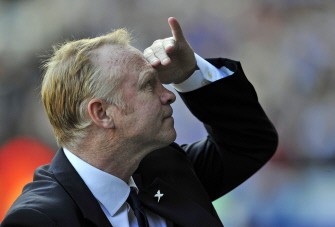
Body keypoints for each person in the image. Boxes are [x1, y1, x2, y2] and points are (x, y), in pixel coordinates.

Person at [1, 17, 278, 227]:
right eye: (149, 85)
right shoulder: (39, 219)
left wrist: (190, 74)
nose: (169, 95)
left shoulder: (164, 168)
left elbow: (249, 142)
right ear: (102, 114)